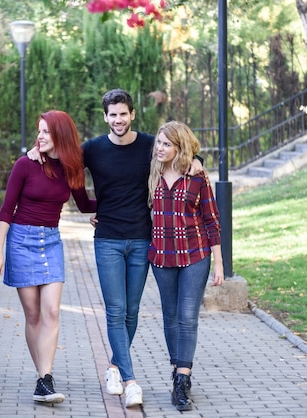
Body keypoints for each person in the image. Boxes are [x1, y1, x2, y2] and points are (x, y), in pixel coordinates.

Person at [28, 88, 202, 408]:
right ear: (105, 116)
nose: (119, 120)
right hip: (107, 239)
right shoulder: (93, 149)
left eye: (124, 114)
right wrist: (35, 153)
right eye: (113, 115)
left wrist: (197, 164)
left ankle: (113, 367)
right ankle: (130, 380)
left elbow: (182, 151)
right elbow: (65, 162)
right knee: (115, 311)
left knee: (132, 312)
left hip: (141, 239)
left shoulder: (151, 144)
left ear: (132, 114)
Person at [0, 110, 97, 404]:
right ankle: (43, 378)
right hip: (21, 242)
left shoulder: (71, 168)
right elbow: (6, 210)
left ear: (61, 135)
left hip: (51, 241)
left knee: (51, 312)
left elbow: (85, 203)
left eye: (47, 132)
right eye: (39, 131)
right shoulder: (25, 164)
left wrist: (116, 211)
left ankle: (45, 379)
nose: (40, 136)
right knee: (34, 314)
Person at [147, 121, 224, 411]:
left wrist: (219, 263)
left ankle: (182, 379)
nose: (160, 148)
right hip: (163, 257)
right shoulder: (152, 172)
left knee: (188, 316)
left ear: (180, 148)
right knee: (170, 317)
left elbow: (212, 220)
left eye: (167, 144)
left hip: (195, 254)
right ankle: (177, 366)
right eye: (158, 143)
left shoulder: (197, 177)